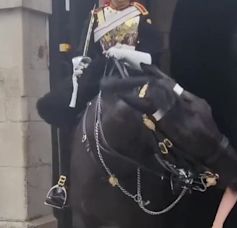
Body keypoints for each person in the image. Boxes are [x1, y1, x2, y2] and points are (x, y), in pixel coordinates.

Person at [39, 0, 163, 209]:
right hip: (98, 75)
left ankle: (169, 171)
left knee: (165, 114)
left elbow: (153, 56)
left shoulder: (140, 15)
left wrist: (126, 54)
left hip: (132, 76)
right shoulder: (96, 17)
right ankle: (64, 181)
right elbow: (84, 50)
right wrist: (79, 63)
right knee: (59, 106)